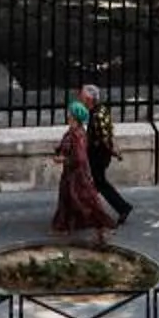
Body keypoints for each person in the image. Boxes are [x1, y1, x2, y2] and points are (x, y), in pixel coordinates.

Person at [50, 99, 117, 249]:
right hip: (72, 174)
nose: (68, 116)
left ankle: (101, 228)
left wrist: (62, 159)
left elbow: (78, 157)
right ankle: (65, 226)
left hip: (77, 175)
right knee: (68, 198)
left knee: (85, 201)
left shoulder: (77, 134)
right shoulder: (74, 132)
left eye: (70, 113)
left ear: (75, 116)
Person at [80, 80, 131, 226]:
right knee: (93, 184)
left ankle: (123, 208)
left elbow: (104, 137)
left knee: (99, 183)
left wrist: (113, 151)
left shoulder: (97, 115)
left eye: (83, 97)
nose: (81, 99)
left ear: (89, 99)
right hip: (99, 154)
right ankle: (88, 212)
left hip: (98, 155)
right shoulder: (100, 110)